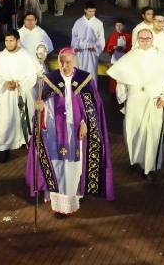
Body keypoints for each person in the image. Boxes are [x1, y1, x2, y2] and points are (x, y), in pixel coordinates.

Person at [26, 49, 115, 216]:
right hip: (55, 130)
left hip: (76, 131)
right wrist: (40, 108)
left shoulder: (85, 79)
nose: (65, 66)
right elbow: (43, 104)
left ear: (75, 62)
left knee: (74, 166)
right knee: (57, 163)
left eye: (68, 62)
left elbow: (92, 106)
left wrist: (85, 123)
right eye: (62, 62)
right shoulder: (50, 79)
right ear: (58, 61)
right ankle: (57, 199)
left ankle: (73, 197)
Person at [107, 28, 164, 179]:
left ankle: (149, 167)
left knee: (152, 133)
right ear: (138, 39)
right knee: (133, 131)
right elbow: (121, 79)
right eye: (142, 39)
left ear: (152, 40)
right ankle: (135, 159)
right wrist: (123, 97)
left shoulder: (161, 57)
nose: (145, 41)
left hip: (154, 101)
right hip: (135, 101)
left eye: (148, 39)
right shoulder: (130, 57)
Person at [0, 30, 41, 162]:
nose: (8, 44)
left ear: (17, 41)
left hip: (23, 93)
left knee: (25, 119)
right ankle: (5, 149)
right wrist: (3, 83)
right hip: (6, 95)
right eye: (6, 41)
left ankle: (26, 144)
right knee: (5, 121)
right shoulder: (0, 57)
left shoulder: (26, 56)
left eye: (11, 41)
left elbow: (33, 75)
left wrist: (20, 84)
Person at [70, 2, 105, 85]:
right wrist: (75, 47)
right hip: (80, 51)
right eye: (90, 11)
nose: (92, 13)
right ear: (85, 10)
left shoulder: (98, 23)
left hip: (91, 52)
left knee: (91, 72)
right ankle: (79, 94)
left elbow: (101, 39)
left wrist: (96, 48)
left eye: (94, 11)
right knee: (79, 72)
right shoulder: (78, 22)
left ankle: (91, 94)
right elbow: (74, 36)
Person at [104, 18, 131, 94]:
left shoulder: (128, 36)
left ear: (124, 26)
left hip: (125, 59)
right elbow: (108, 48)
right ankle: (113, 91)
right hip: (115, 59)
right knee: (114, 74)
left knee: (124, 75)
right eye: (117, 25)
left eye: (120, 25)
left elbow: (131, 48)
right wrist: (113, 47)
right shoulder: (112, 36)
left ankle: (124, 91)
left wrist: (124, 49)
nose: (118, 27)